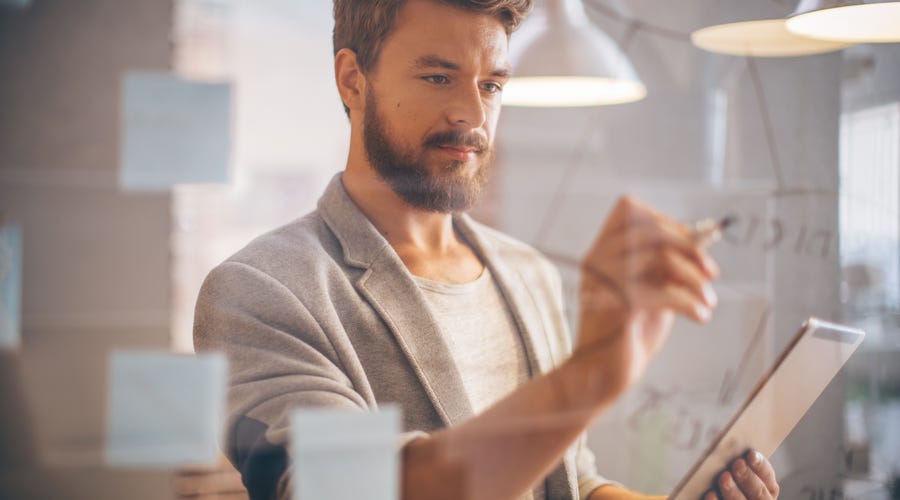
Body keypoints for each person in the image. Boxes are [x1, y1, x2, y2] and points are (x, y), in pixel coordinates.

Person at [193, 1, 781, 499]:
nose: (473, 116)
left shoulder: (528, 273)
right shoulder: (258, 291)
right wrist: (594, 373)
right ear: (353, 79)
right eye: (437, 77)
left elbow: (574, 482)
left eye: (491, 85)